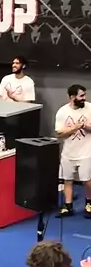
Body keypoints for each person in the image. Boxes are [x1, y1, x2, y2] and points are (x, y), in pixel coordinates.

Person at [55, 84, 91, 219]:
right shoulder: (62, 112)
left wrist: (87, 127)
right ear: (72, 97)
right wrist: (75, 128)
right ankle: (68, 206)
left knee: (87, 180)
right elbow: (59, 133)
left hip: (86, 151)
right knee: (67, 180)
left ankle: (89, 203)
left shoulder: (90, 108)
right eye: (81, 96)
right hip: (68, 152)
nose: (84, 98)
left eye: (84, 95)